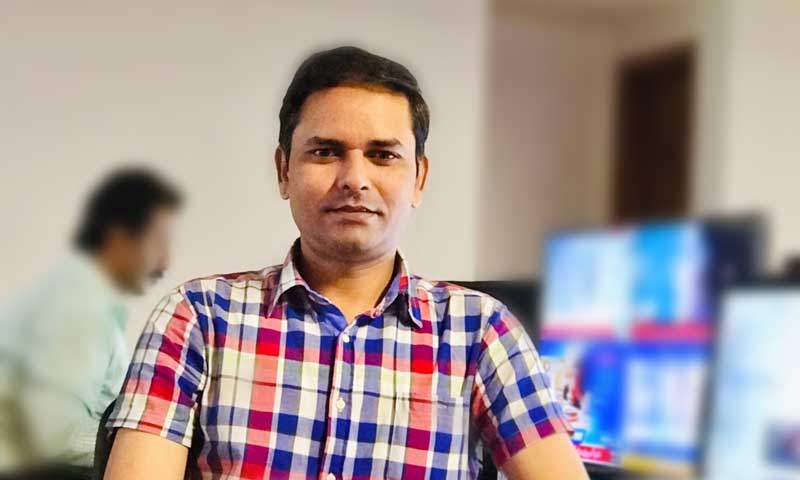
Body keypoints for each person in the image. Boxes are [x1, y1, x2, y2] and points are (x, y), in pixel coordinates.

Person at [103, 46, 588, 480]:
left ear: (419, 178)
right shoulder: (198, 317)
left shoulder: (481, 332)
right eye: (326, 152)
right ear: (284, 171)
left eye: (383, 155)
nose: (355, 178)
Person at [0, 167, 182, 478]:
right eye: (158, 242)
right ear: (119, 239)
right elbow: (52, 437)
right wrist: (145, 443)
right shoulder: (79, 308)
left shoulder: (83, 301)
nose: (165, 260)